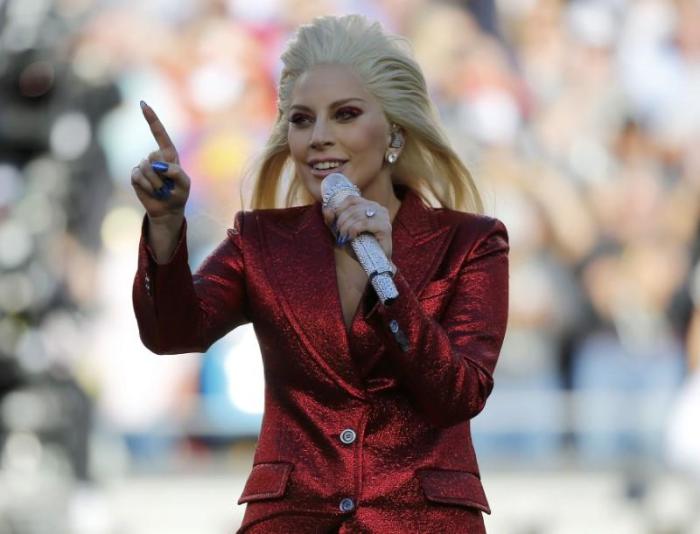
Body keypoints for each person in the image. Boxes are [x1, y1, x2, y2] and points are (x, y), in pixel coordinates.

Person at [131, 14, 509, 534]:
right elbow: (171, 332)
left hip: (422, 522)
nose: (319, 138)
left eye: (346, 114)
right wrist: (165, 226)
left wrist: (388, 278)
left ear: (395, 130)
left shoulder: (470, 242)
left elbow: (459, 395)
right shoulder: (259, 240)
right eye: (302, 119)